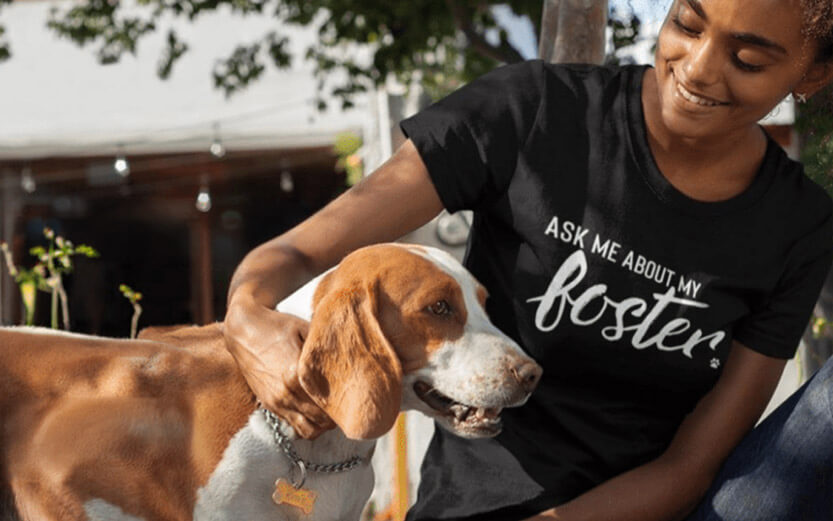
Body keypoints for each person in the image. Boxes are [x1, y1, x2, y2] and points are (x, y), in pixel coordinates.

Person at [223, 0, 833, 519]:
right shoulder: (535, 111)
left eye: (748, 59)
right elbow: (299, 250)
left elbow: (691, 466)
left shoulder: (798, 226)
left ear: (812, 75)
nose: (697, 69)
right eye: (687, 25)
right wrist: (247, 310)